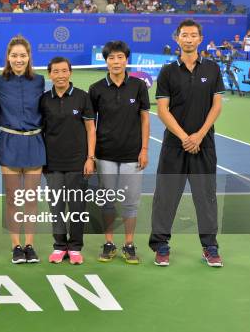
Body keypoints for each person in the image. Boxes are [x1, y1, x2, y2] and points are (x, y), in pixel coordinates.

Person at [149, 19, 225, 268]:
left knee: (206, 197)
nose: (189, 39)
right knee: (166, 196)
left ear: (200, 39)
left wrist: (199, 135)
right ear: (177, 39)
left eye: (193, 35)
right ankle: (161, 245)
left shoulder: (213, 69)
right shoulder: (168, 71)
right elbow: (162, 110)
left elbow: (216, 105)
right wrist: (184, 137)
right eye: (184, 35)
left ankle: (210, 247)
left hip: (204, 144)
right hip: (174, 146)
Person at [89, 40, 150, 265]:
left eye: (120, 57)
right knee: (107, 201)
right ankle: (108, 242)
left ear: (126, 60)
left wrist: (144, 149)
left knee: (130, 202)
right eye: (111, 58)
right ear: (106, 61)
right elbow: (90, 125)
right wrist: (92, 155)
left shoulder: (138, 86)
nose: (116, 62)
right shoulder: (96, 89)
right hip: (105, 155)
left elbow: (145, 119)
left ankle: (129, 244)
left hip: (132, 155)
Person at [0, 35, 45, 264]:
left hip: (34, 144)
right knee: (13, 199)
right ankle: (16, 246)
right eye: (14, 55)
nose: (18, 59)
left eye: (23, 55)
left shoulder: (40, 81)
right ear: (8, 57)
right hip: (10, 144)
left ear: (29, 57)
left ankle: (30, 245)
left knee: (31, 199)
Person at [41, 57, 96, 265]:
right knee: (56, 206)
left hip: (78, 162)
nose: (60, 75)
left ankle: (75, 247)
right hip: (52, 163)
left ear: (70, 73)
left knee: (76, 207)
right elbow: (42, 131)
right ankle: (59, 245)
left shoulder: (82, 97)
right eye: (56, 71)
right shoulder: (45, 99)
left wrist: (90, 158)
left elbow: (91, 129)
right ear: (50, 75)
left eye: (64, 71)